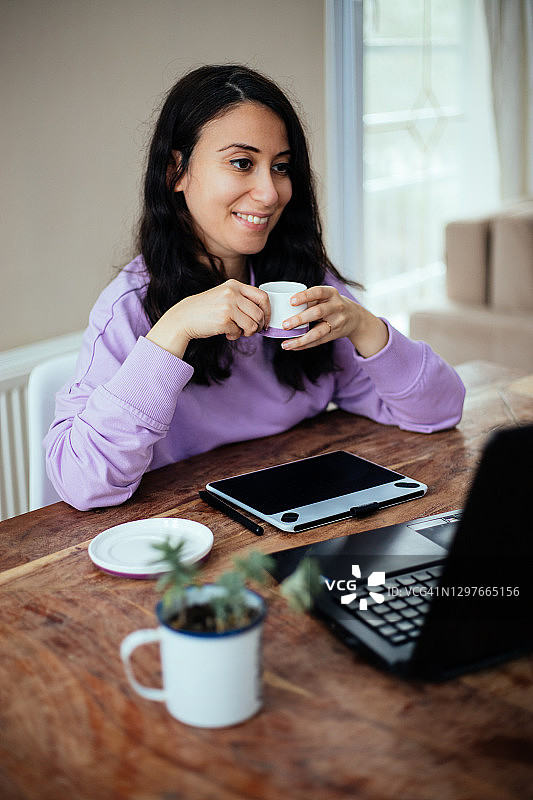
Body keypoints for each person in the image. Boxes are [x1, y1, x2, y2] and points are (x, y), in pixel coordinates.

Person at [45, 64, 465, 511]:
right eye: (242, 163)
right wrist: (174, 329)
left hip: (297, 509)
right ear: (175, 172)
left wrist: (365, 327)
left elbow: (439, 412)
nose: (270, 193)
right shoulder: (130, 307)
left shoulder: (303, 283)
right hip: (187, 528)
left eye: (281, 167)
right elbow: (84, 483)